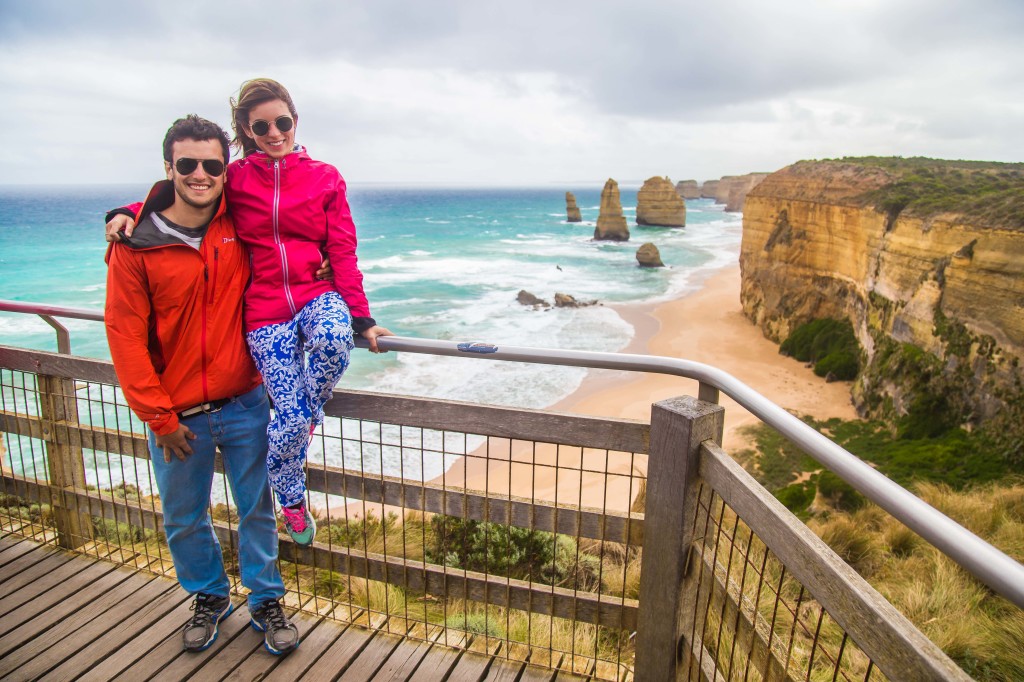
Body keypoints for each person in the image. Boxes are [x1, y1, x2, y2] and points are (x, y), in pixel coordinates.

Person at [108, 78, 393, 548]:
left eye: (283, 121)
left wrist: (361, 317)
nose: (274, 132)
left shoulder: (326, 176)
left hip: (315, 294)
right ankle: (292, 496)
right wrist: (129, 209)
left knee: (333, 345)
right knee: (291, 417)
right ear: (246, 129)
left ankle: (300, 422)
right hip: (263, 311)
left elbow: (343, 248)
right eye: (262, 125)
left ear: (295, 121)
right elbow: (188, 198)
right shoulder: (235, 176)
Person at [104, 115, 300, 656]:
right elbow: (124, 337)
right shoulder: (135, 244)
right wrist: (159, 418)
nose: (200, 174)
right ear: (168, 168)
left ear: (225, 168)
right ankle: (209, 597)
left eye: (212, 164)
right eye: (187, 163)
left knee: (257, 508)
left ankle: (265, 599)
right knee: (183, 517)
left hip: (245, 401)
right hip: (178, 414)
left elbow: (295, 218)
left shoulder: (242, 222)